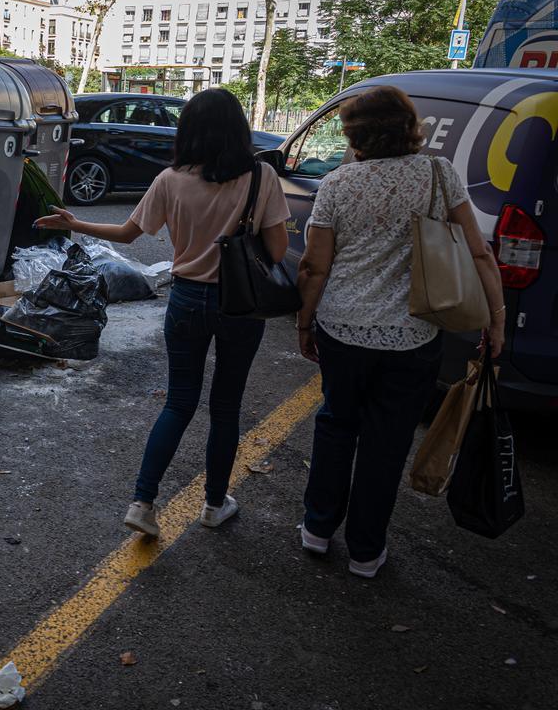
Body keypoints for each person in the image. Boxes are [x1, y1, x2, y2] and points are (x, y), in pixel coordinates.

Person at [36, 88, 290, 535]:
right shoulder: (259, 177)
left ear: (188, 129)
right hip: (240, 304)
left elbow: (128, 233)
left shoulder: (171, 179)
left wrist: (74, 222)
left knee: (178, 402)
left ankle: (143, 501)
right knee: (226, 408)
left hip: (187, 298)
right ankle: (214, 504)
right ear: (238, 129)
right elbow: (277, 249)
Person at [295, 85, 505, 578]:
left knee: (336, 425)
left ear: (354, 134)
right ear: (411, 126)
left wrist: (306, 322)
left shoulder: (339, 184)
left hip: (342, 328)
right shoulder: (438, 174)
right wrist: (495, 320)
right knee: (386, 442)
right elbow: (478, 254)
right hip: (413, 335)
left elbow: (314, 266)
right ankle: (366, 552)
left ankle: (317, 530)